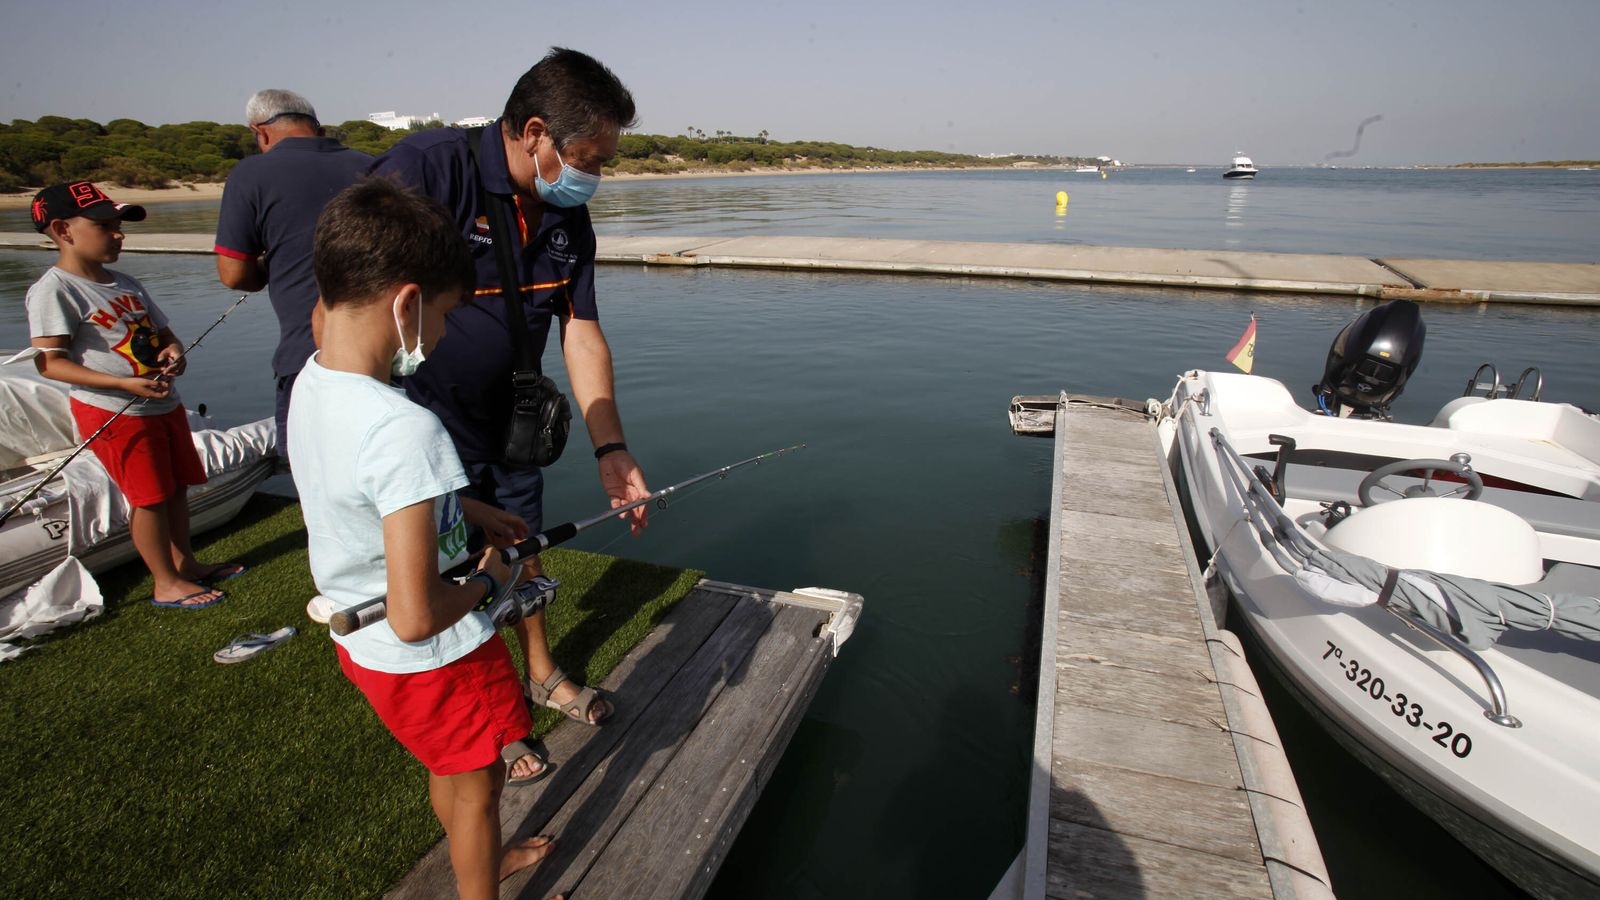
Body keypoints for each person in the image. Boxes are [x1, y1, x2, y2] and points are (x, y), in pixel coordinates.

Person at [288, 177, 556, 898]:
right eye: (444, 316)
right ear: (407, 303)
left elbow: (366, 490)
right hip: (436, 658)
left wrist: (464, 508)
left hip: (367, 653)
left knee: (454, 768)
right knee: (479, 785)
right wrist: (494, 578)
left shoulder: (314, 382)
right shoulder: (407, 427)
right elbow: (414, 618)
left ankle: (481, 860)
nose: (440, 336)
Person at [370, 47, 647, 733]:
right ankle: (480, 708)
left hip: (514, 416)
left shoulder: (566, 218)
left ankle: (541, 668)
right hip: (421, 418)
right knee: (443, 567)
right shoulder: (427, 171)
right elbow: (353, 310)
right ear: (534, 134)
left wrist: (610, 447)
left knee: (522, 544)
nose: (595, 175)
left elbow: (580, 331)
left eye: (604, 160)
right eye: (590, 156)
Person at [26, 182, 245, 608]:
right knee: (149, 498)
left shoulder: (125, 282)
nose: (118, 234)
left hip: (162, 402)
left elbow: (163, 333)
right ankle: (164, 581)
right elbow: (49, 362)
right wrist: (123, 385)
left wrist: (174, 352)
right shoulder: (55, 289)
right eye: (105, 226)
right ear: (62, 230)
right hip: (115, 411)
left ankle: (187, 565)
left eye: (118, 225)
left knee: (178, 486)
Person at [214, 89, 371, 461]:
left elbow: (234, 274)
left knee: (315, 474)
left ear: (260, 132)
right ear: (314, 125)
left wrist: (272, 264)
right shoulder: (373, 164)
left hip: (308, 357)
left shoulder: (251, 173)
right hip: (389, 350)